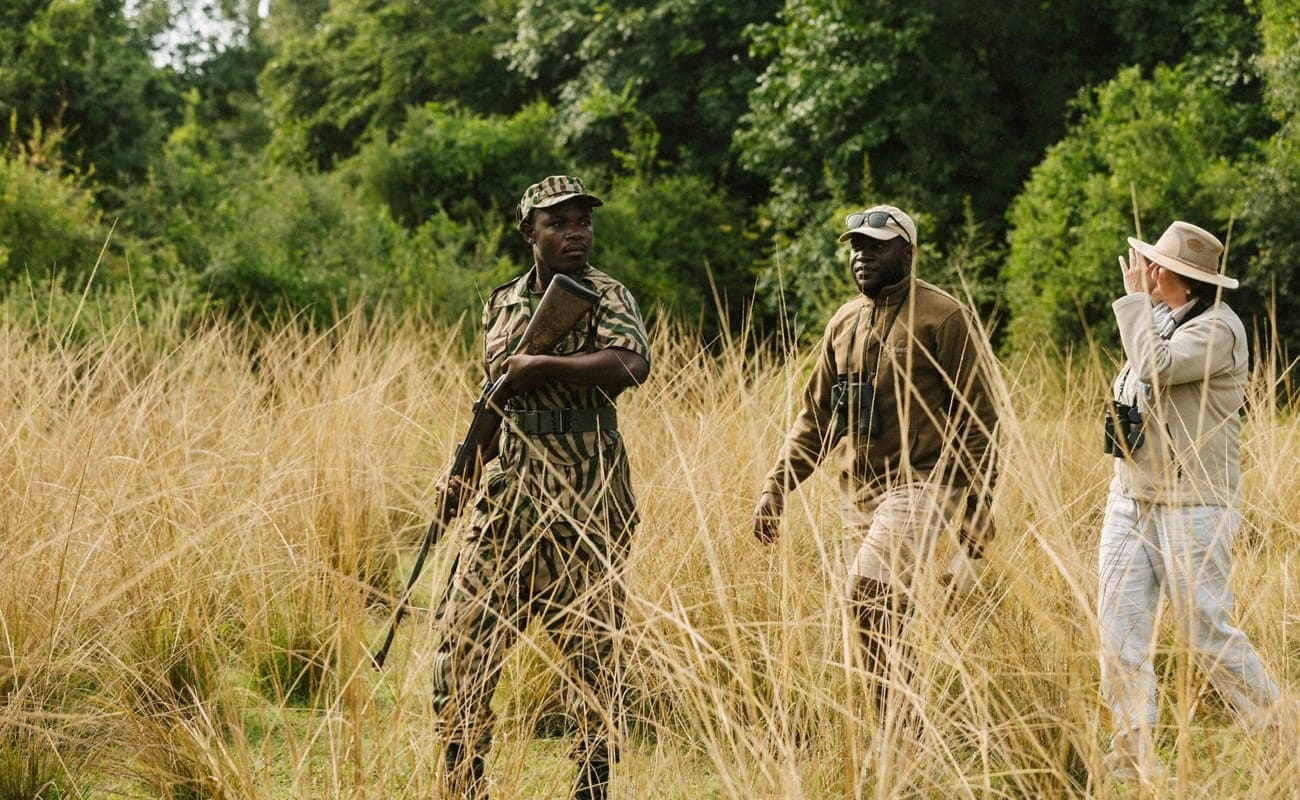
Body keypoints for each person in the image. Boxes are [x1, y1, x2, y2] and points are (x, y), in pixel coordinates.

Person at [430, 175, 650, 800]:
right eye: (559, 223)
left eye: (583, 221)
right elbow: (494, 402)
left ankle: (591, 788)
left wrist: (540, 368)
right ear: (530, 232)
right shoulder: (500, 305)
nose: (576, 232)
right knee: (459, 642)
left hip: (587, 498)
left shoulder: (607, 293)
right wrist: (463, 471)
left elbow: (632, 364)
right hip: (508, 501)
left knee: (593, 662)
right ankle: (463, 782)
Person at [751, 204, 1000, 724]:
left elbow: (980, 418)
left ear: (907, 252)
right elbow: (815, 417)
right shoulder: (843, 322)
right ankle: (901, 740)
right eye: (856, 246)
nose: (863, 256)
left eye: (877, 246)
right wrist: (777, 487)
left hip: (925, 486)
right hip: (858, 496)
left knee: (864, 595)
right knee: (878, 621)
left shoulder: (944, 316)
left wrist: (978, 513)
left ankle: (901, 737)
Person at [1098, 220, 1285, 783]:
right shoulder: (1158, 318)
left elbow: (1158, 367)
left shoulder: (1219, 330)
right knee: (1118, 629)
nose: (1144, 271)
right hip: (1130, 496)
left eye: (1153, 266)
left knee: (1205, 629)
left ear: (1178, 277)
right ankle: (1133, 753)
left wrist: (1132, 303)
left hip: (1195, 504)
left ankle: (1282, 732)